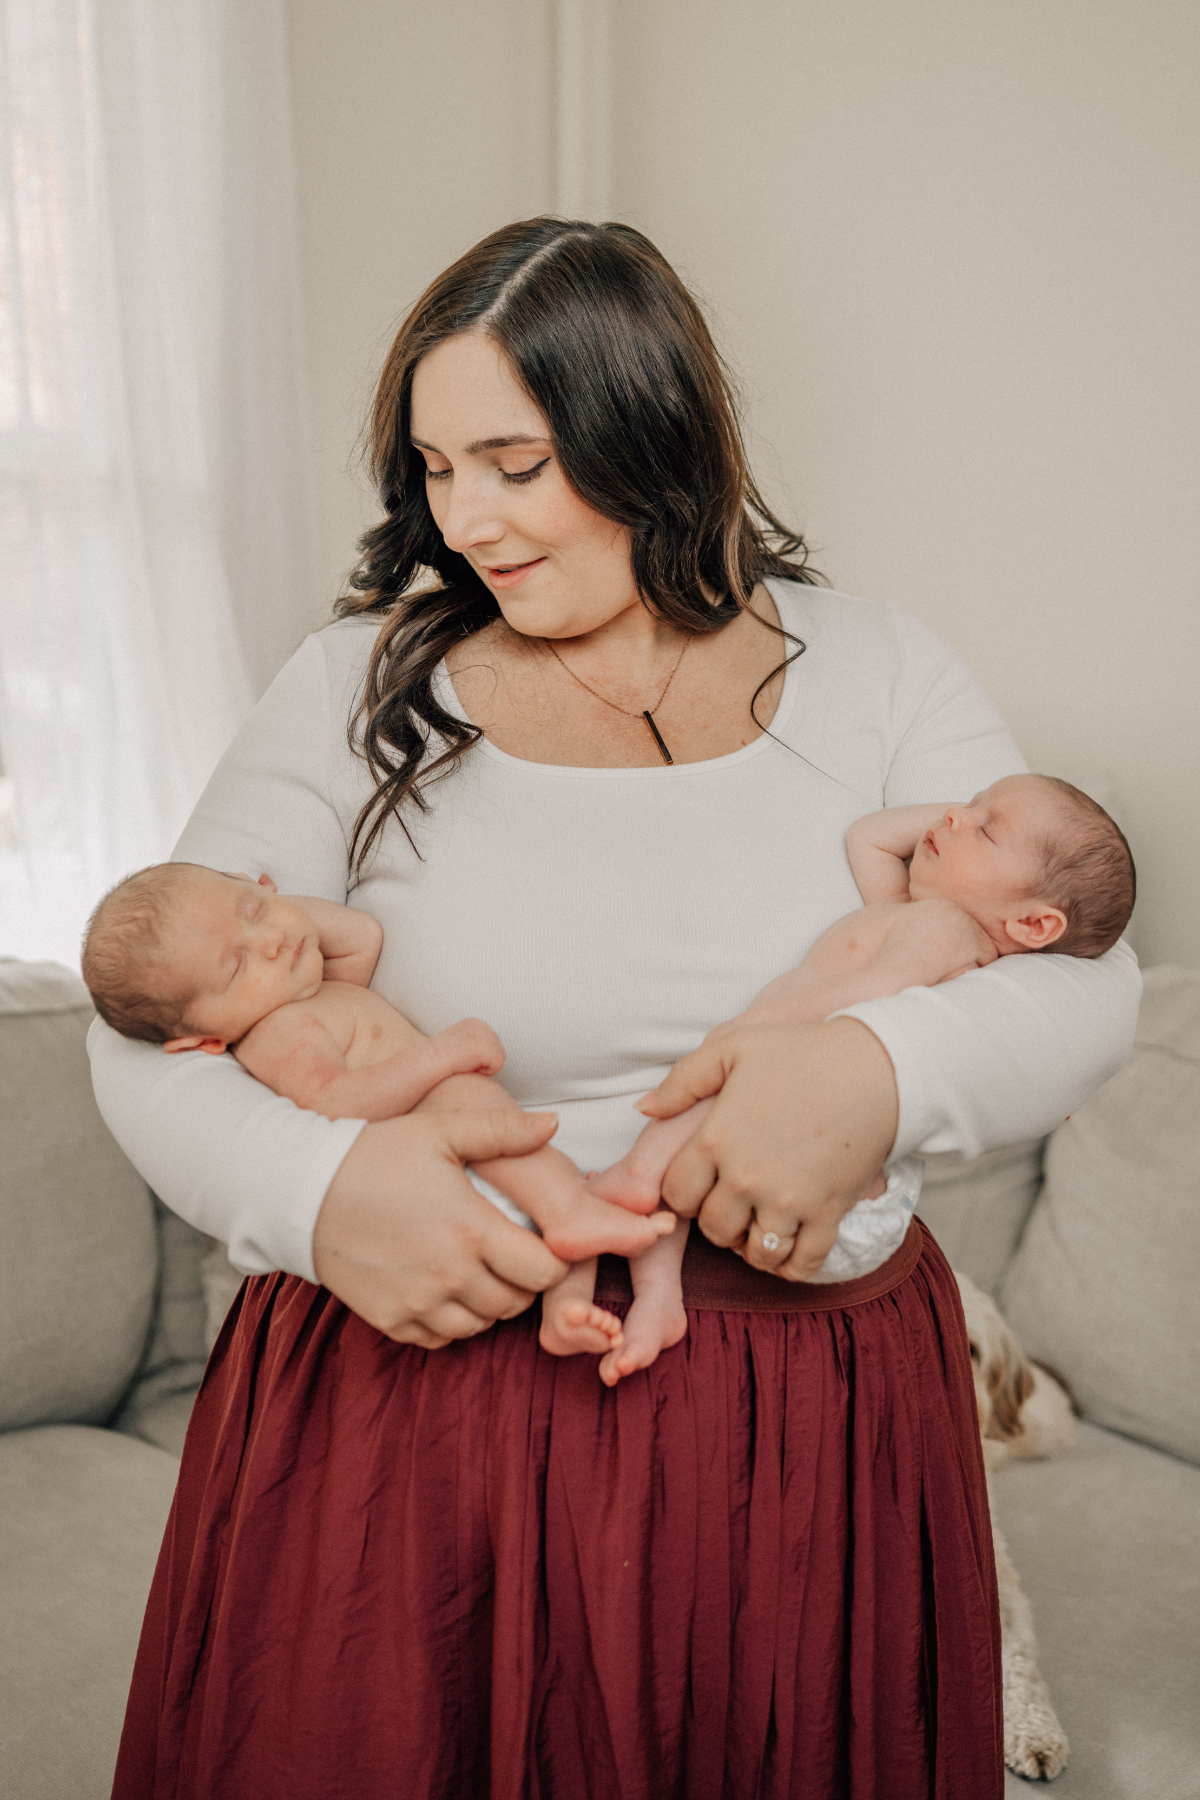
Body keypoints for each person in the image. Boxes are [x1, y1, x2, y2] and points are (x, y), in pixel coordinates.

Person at [89, 217, 1140, 1800]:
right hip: (412, 1394)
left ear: (648, 429)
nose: (469, 520)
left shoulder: (880, 673)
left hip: (808, 1412)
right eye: (437, 469)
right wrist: (316, 1190)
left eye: (515, 462)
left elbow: (1079, 967)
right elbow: (148, 1013)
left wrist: (874, 1069)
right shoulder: (347, 688)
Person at [579, 774, 1136, 1382]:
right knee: (687, 1172)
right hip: (829, 1166)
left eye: (986, 829)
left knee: (691, 1109)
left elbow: (867, 997)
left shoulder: (948, 931)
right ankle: (659, 1300)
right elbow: (868, 836)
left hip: (840, 1179)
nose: (954, 816)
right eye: (967, 806)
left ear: (1033, 927)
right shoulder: (908, 912)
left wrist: (754, 1030)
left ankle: (631, 1180)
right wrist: (968, 816)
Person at [79, 862, 675, 1266]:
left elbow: (360, 936)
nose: (270, 942)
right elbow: (334, 1103)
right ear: (205, 1041)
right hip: (433, 1155)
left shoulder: (305, 994)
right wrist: (445, 1054)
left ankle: (571, 1280)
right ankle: (565, 1208)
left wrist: (282, 913)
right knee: (471, 1107)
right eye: (235, 965)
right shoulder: (279, 1035)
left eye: (253, 909)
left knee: (502, 1141)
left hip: (474, 1168)